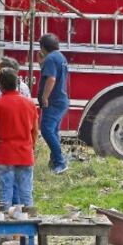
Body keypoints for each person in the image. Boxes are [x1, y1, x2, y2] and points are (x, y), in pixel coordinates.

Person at [0, 68, 40, 206]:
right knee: (26, 194)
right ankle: (28, 224)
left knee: (5, 196)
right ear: (17, 84)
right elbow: (35, 130)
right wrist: (32, 145)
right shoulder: (29, 103)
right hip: (25, 153)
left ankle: (5, 226)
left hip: (4, 153)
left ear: (0, 86)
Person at [37, 33, 69, 174]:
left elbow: (51, 78)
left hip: (53, 101)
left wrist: (44, 97)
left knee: (46, 130)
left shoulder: (50, 58)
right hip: (61, 100)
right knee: (54, 131)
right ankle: (55, 161)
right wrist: (41, 64)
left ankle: (60, 162)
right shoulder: (60, 57)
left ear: (43, 47)